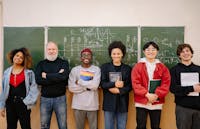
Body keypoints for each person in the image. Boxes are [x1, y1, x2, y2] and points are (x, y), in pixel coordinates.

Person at [131, 41, 171, 129]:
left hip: (156, 101)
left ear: (157, 51)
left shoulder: (163, 67)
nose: (150, 51)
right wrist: (147, 94)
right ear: (144, 52)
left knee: (155, 126)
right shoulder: (138, 66)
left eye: (153, 49)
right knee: (141, 126)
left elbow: (166, 83)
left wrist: (156, 95)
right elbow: (135, 83)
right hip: (141, 101)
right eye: (148, 49)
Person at [0, 47, 39, 129]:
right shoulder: (6, 72)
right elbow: (3, 91)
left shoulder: (29, 73)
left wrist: (26, 102)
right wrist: (2, 106)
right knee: (10, 127)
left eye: (21, 57)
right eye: (17, 55)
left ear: (24, 60)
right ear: (13, 56)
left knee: (26, 127)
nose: (18, 58)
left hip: (23, 105)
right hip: (10, 105)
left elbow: (34, 90)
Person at [35, 41, 69, 129]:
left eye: (53, 49)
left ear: (57, 50)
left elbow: (64, 78)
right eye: (49, 49)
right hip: (45, 99)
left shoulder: (64, 63)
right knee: (44, 126)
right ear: (46, 50)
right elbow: (38, 80)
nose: (51, 51)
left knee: (63, 126)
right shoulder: (41, 64)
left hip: (60, 98)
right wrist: (57, 75)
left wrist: (46, 75)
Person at [100, 41, 132, 129]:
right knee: (108, 127)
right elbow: (102, 84)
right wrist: (113, 84)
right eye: (114, 53)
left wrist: (119, 90)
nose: (116, 55)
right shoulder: (105, 67)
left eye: (118, 53)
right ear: (111, 54)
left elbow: (130, 86)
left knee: (121, 126)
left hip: (122, 102)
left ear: (122, 54)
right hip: (109, 102)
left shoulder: (127, 69)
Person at [68, 48, 101, 129]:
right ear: (81, 58)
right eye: (84, 55)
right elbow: (71, 88)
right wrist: (87, 88)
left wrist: (79, 82)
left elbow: (95, 86)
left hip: (92, 105)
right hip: (78, 105)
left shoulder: (96, 70)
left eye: (88, 55)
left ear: (91, 57)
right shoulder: (74, 70)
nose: (86, 57)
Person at [170, 43, 200, 129]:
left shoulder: (198, 69)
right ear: (179, 55)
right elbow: (173, 89)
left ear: (191, 53)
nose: (185, 53)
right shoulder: (174, 70)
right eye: (182, 51)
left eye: (187, 51)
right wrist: (192, 88)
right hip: (183, 107)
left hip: (198, 107)